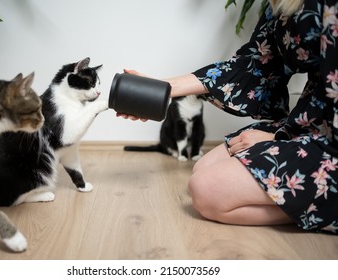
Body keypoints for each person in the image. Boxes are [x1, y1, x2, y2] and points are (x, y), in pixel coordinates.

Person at [118, 0, 338, 234]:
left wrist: (279, 139)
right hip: (310, 120)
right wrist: (160, 88)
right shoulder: (281, 3)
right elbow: (257, 62)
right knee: (203, 169)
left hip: (332, 134)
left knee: (206, 190)